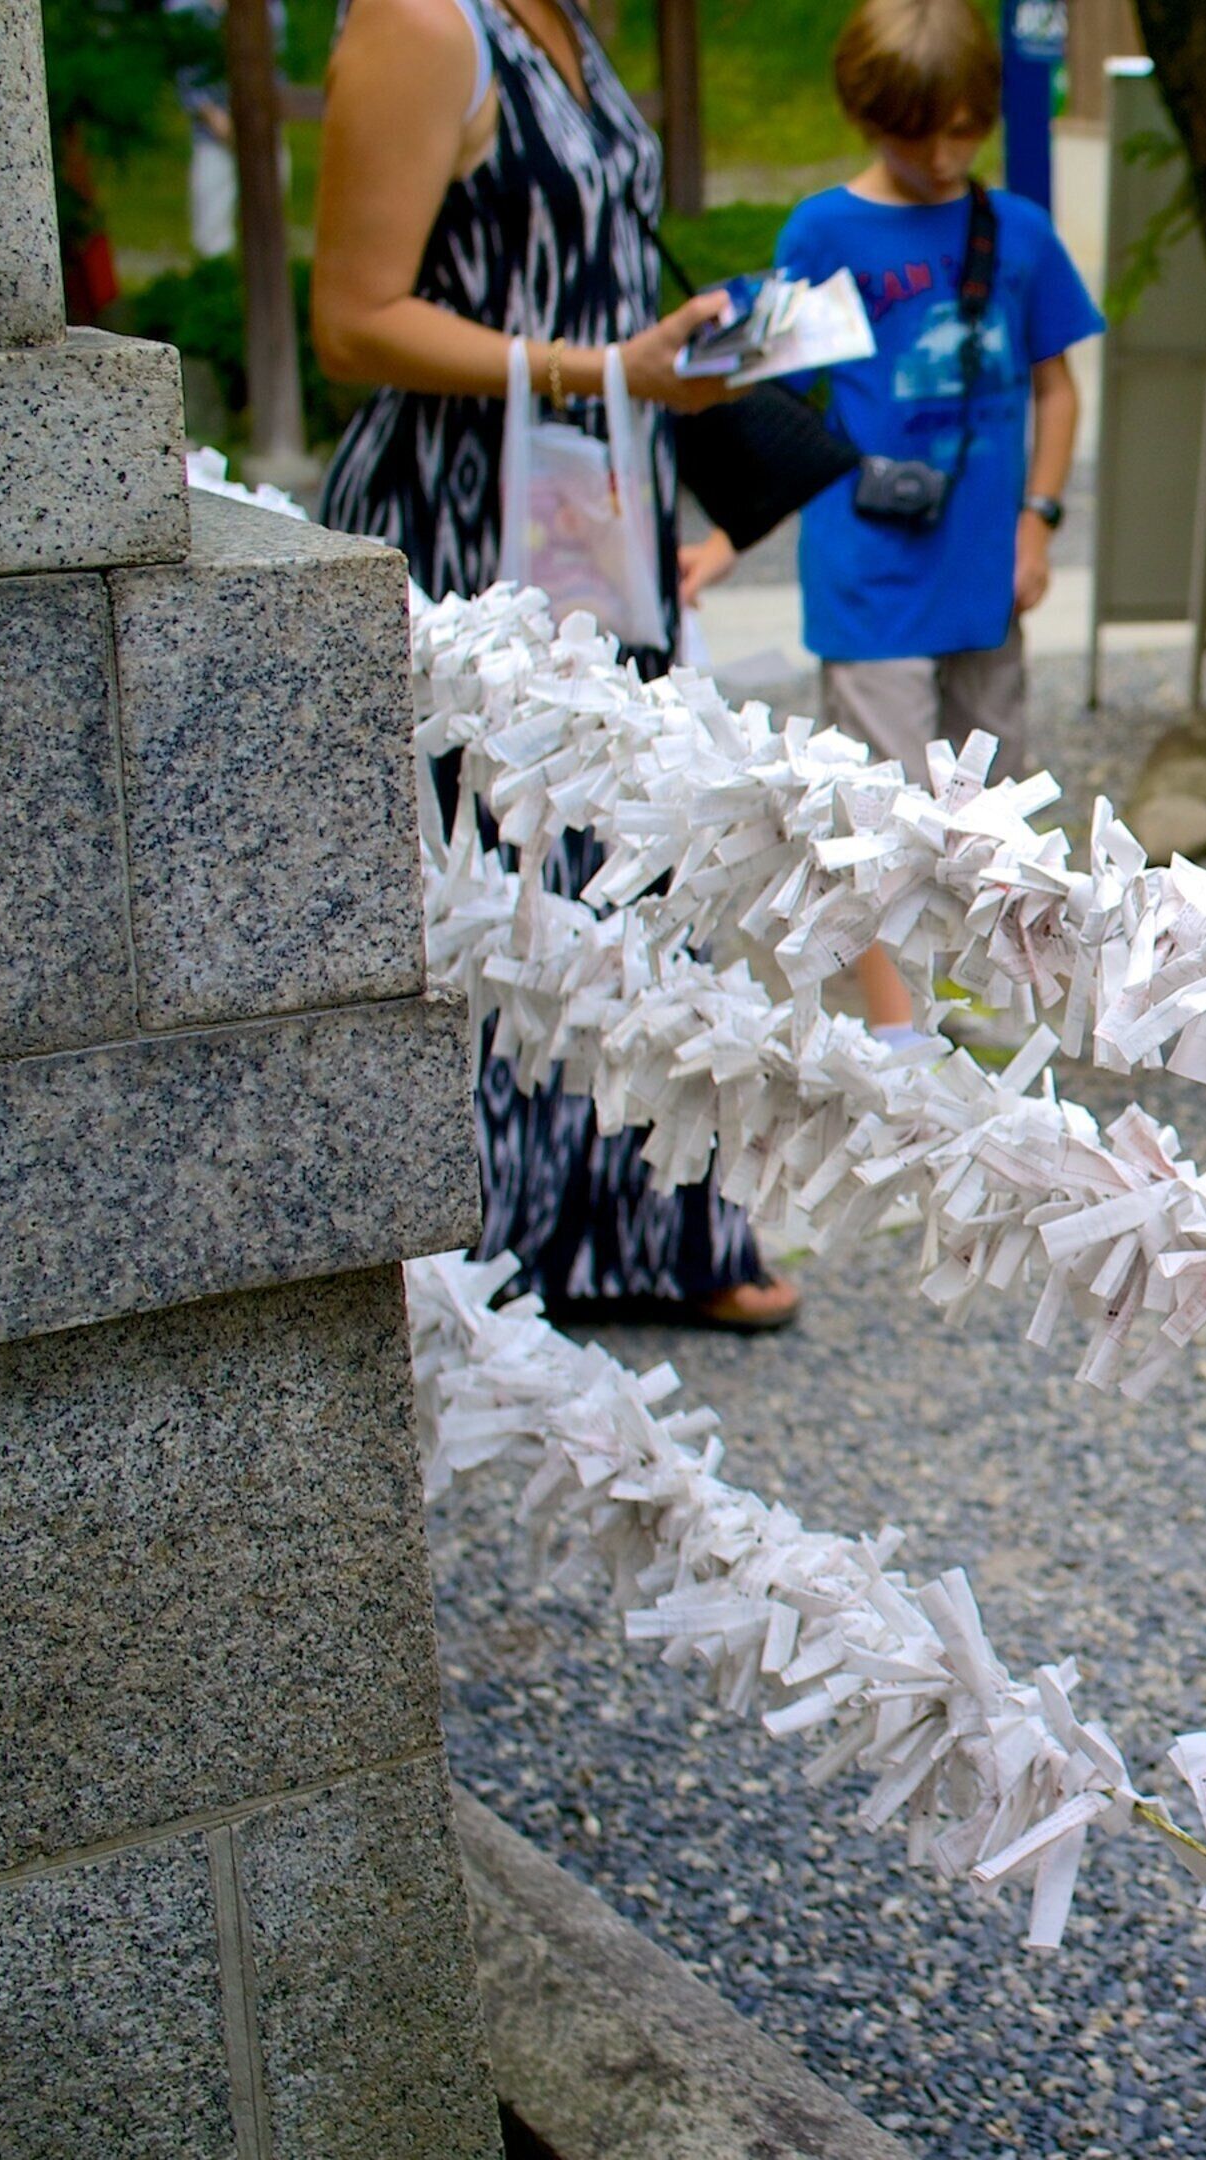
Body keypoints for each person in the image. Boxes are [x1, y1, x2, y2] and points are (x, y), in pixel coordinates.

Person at [311, 0, 800, 1329]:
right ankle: (485, 1244)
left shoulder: (565, 21)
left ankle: (638, 1229)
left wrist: (667, 358)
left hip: (591, 506)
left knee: (622, 856)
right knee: (496, 874)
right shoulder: (423, 23)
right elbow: (351, 322)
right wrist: (601, 368)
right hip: (469, 510)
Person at [693, 0, 1096, 1041]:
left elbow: (1056, 391)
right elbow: (771, 401)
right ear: (871, 116)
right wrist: (727, 538)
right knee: (880, 801)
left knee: (990, 799)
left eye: (966, 128)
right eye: (921, 132)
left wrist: (1039, 521)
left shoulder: (1017, 234)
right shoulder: (826, 233)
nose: (946, 153)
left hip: (985, 567)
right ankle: (897, 1024)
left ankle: (983, 995)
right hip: (867, 562)